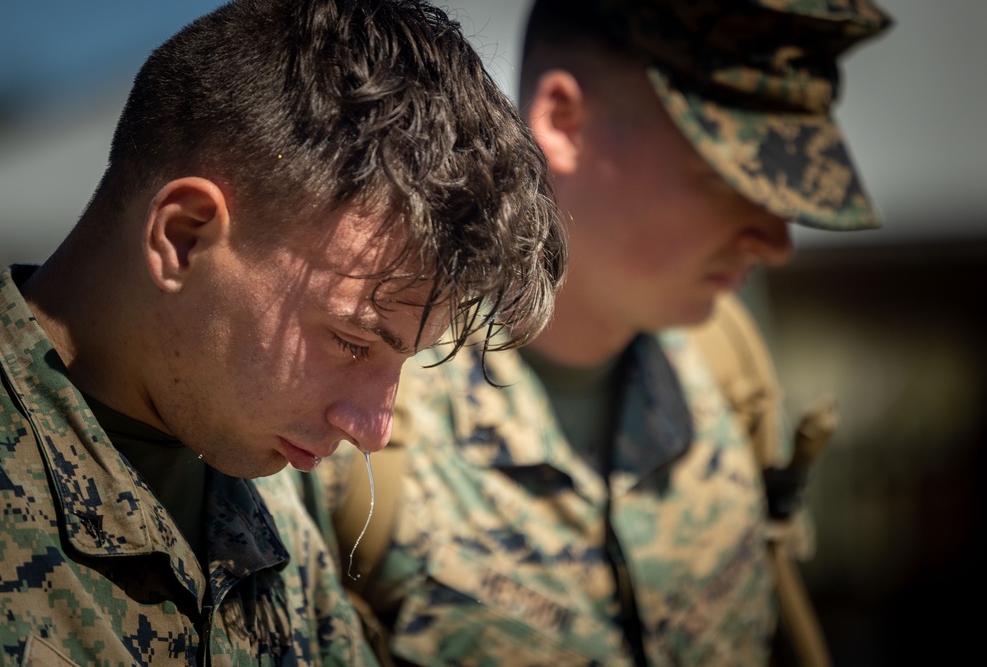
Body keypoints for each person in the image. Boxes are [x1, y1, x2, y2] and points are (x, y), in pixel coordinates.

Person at [0, 0, 567, 663]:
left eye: (404, 359)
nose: (373, 429)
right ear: (184, 237)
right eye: (352, 341)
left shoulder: (271, 524)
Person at [319, 0, 892, 665]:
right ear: (566, 123)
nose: (775, 241)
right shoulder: (355, 411)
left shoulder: (723, 367)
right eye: (723, 176)